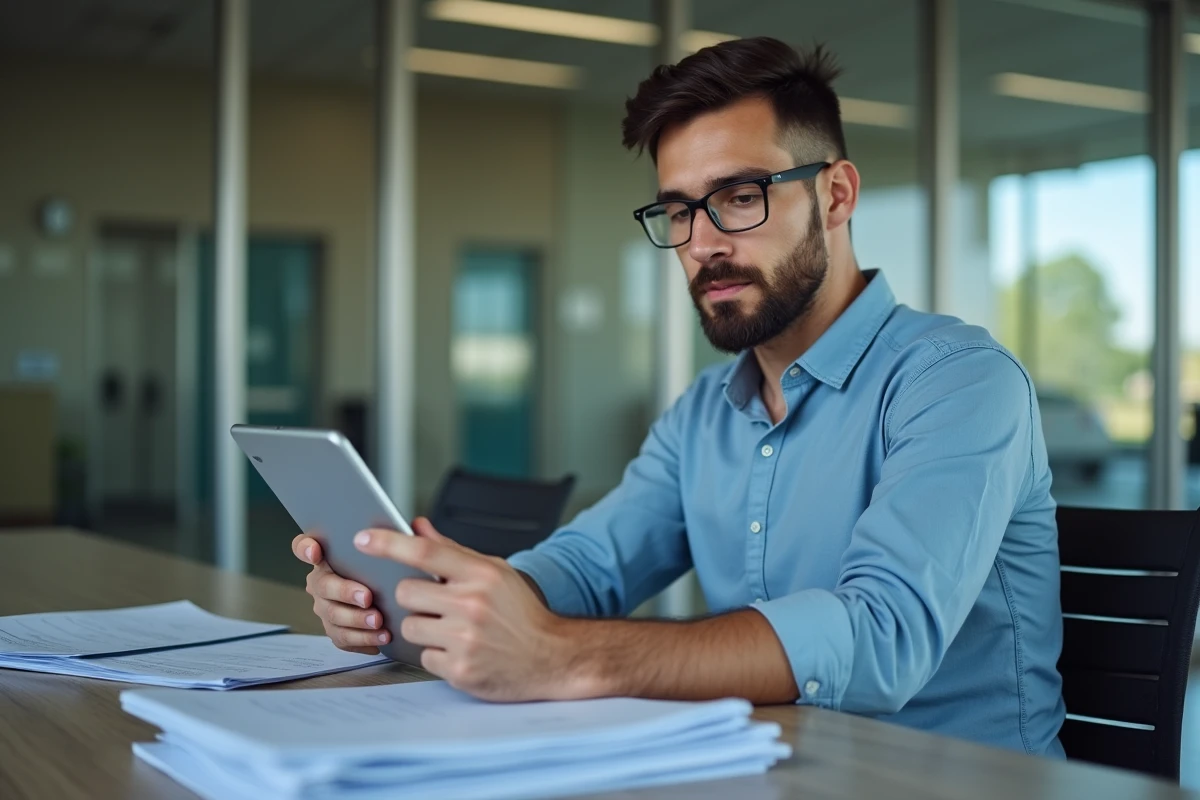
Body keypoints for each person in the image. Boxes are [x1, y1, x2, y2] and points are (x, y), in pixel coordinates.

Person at [292, 37, 1065, 756]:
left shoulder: (958, 381)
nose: (702, 244)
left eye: (738, 197)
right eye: (679, 210)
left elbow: (881, 636)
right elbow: (593, 566)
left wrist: (561, 657)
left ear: (836, 196)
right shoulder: (704, 412)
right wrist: (442, 603)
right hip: (773, 769)